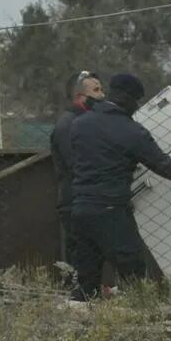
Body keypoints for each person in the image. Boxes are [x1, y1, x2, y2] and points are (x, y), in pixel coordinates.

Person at [68, 73, 171, 300]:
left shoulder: (80, 124)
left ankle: (83, 321)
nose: (137, 106)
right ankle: (138, 318)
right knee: (133, 271)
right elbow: (167, 168)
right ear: (129, 100)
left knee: (86, 277)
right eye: (136, 101)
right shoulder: (132, 131)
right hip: (111, 210)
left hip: (81, 209)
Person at [49, 71, 105, 268]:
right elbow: (77, 165)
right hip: (75, 200)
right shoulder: (69, 125)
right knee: (82, 252)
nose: (102, 95)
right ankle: (80, 294)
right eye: (96, 90)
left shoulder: (86, 121)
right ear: (80, 97)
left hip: (88, 198)